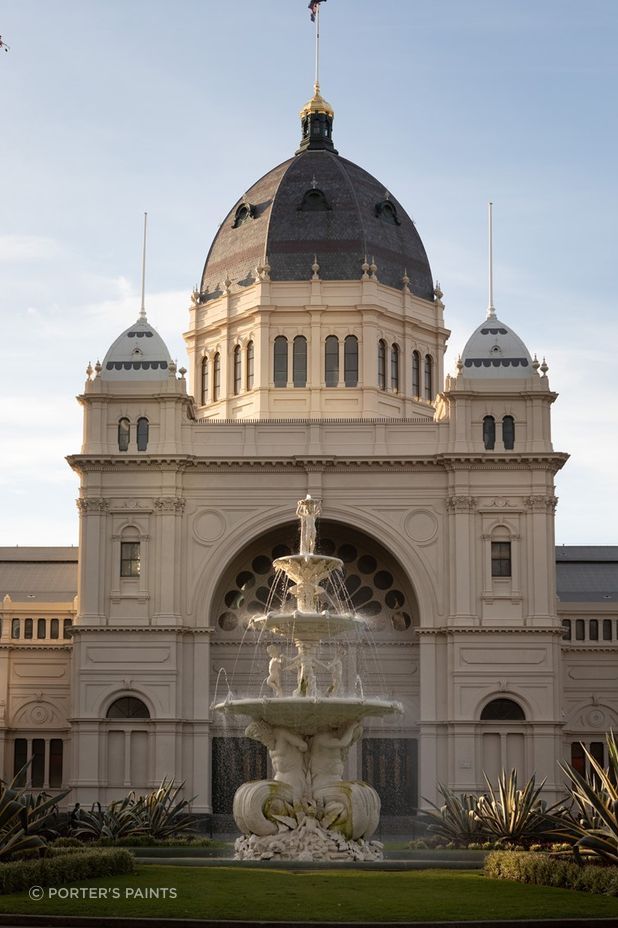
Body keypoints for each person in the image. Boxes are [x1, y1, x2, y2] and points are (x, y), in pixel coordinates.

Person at [245, 720, 309, 802]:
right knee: (275, 805)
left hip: (293, 775)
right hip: (278, 777)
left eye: (260, 736)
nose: (260, 740)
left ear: (266, 731)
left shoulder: (281, 733)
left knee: (293, 803)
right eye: (258, 738)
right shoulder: (268, 741)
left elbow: (303, 745)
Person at [309, 721, 363, 791]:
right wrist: (351, 728)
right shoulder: (321, 737)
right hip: (322, 779)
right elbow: (343, 743)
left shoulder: (331, 738)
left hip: (333, 778)